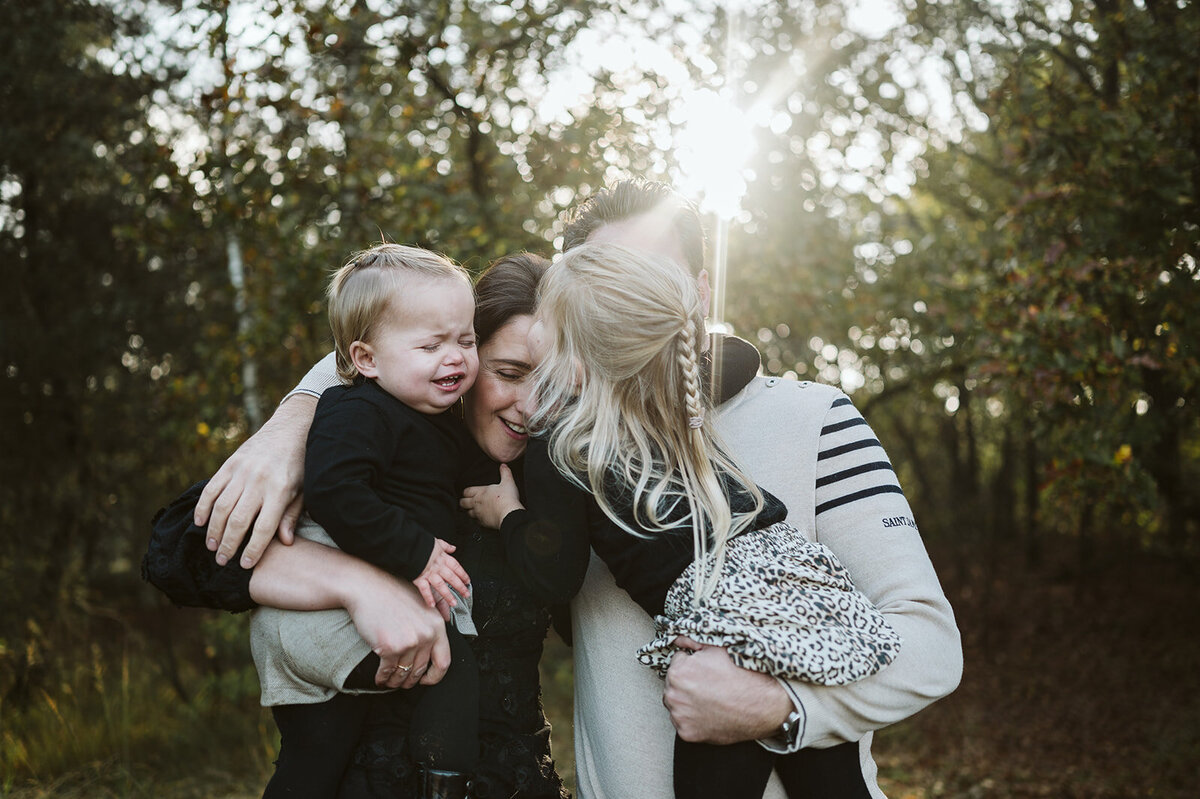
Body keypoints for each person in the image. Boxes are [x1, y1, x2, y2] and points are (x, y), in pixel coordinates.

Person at [189, 179, 962, 799]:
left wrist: (783, 711)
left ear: (697, 289)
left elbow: (929, 647)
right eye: (594, 288)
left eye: (644, 279)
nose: (615, 306)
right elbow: (413, 338)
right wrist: (299, 413)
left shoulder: (815, 416)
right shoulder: (553, 439)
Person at [461, 242, 901, 799]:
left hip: (722, 619)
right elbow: (726, 358)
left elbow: (558, 573)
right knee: (834, 785)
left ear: (577, 346)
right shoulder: (655, 400)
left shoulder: (563, 440)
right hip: (795, 582)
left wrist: (509, 516)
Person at [144, 253, 570, 799]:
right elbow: (181, 548)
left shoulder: (555, 468)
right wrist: (358, 583)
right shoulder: (367, 422)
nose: (533, 406)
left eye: (554, 381)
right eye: (508, 372)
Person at [251, 243, 481, 798]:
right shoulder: (357, 411)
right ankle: (444, 781)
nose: (454, 357)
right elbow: (335, 492)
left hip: (354, 610)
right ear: (367, 358)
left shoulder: (435, 415)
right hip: (318, 612)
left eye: (466, 340)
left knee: (322, 753)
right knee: (453, 669)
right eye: (430, 345)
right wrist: (417, 552)